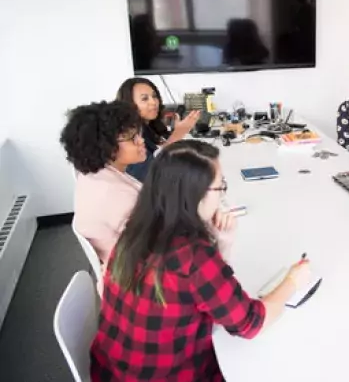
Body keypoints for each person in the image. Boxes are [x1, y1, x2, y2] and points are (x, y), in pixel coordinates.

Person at [90, 140, 312, 381]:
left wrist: (223, 242)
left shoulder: (136, 229)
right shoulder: (192, 256)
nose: (222, 195)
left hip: (113, 371)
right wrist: (292, 281)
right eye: (220, 187)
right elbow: (252, 323)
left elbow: (204, 292)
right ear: (195, 195)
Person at [59, 101, 146, 272]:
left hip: (120, 263)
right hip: (136, 278)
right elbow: (156, 249)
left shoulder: (90, 176)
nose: (141, 140)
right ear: (105, 146)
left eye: (138, 133)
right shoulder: (119, 197)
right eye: (131, 137)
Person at [116, 77, 200, 182]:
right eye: (144, 99)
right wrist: (177, 135)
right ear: (129, 103)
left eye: (154, 96)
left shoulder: (150, 127)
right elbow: (149, 175)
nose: (153, 102)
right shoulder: (127, 137)